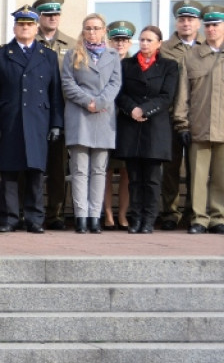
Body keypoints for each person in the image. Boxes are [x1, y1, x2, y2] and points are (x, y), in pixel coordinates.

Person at [0, 5, 64, 234]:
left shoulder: (47, 55)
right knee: (9, 173)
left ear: (36, 27)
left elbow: (55, 93)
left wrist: (56, 123)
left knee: (36, 173)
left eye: (29, 24)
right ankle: (9, 219)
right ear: (14, 27)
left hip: (38, 121)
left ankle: (34, 219)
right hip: (10, 121)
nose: (25, 28)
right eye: (21, 24)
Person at [60, 13, 122, 234]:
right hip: (80, 116)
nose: (92, 32)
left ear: (104, 30)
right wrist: (88, 102)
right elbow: (67, 84)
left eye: (96, 28)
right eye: (88, 28)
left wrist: (101, 101)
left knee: (98, 170)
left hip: (104, 117)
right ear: (83, 31)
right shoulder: (72, 54)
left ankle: (95, 217)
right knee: (79, 170)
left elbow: (115, 83)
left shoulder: (113, 55)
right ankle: (81, 217)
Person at [115, 25, 178, 234]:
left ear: (159, 44)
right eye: (142, 40)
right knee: (134, 178)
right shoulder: (126, 65)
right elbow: (119, 92)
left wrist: (144, 109)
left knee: (151, 179)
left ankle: (149, 220)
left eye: (149, 40)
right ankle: (136, 218)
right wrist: (132, 109)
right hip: (131, 126)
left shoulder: (169, 66)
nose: (144, 44)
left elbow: (166, 96)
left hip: (155, 128)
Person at [173, 5, 224, 235]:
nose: (211, 29)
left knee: (221, 177)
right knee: (198, 177)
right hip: (199, 125)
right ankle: (199, 219)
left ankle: (218, 217)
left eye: (216, 24)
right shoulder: (192, 56)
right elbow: (183, 93)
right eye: (209, 25)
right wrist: (181, 123)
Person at [159, 0, 204, 230]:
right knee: (171, 166)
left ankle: (193, 212)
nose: (186, 23)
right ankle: (170, 212)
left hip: (199, 115)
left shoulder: (207, 47)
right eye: (182, 19)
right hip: (168, 115)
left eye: (191, 19)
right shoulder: (165, 48)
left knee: (198, 167)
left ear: (199, 23)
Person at [33, 0, 76, 230]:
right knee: (32, 166)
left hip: (63, 114)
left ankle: (56, 214)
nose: (52, 18)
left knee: (59, 167)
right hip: (35, 114)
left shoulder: (71, 45)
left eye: (56, 14)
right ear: (39, 16)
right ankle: (32, 211)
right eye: (48, 14)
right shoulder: (30, 41)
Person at [105, 20, 137, 229]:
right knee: (105, 170)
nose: (120, 44)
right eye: (116, 40)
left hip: (128, 125)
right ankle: (108, 214)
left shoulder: (135, 65)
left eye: (124, 40)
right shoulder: (104, 61)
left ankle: (123, 214)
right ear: (109, 41)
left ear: (130, 42)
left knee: (126, 172)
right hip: (105, 122)